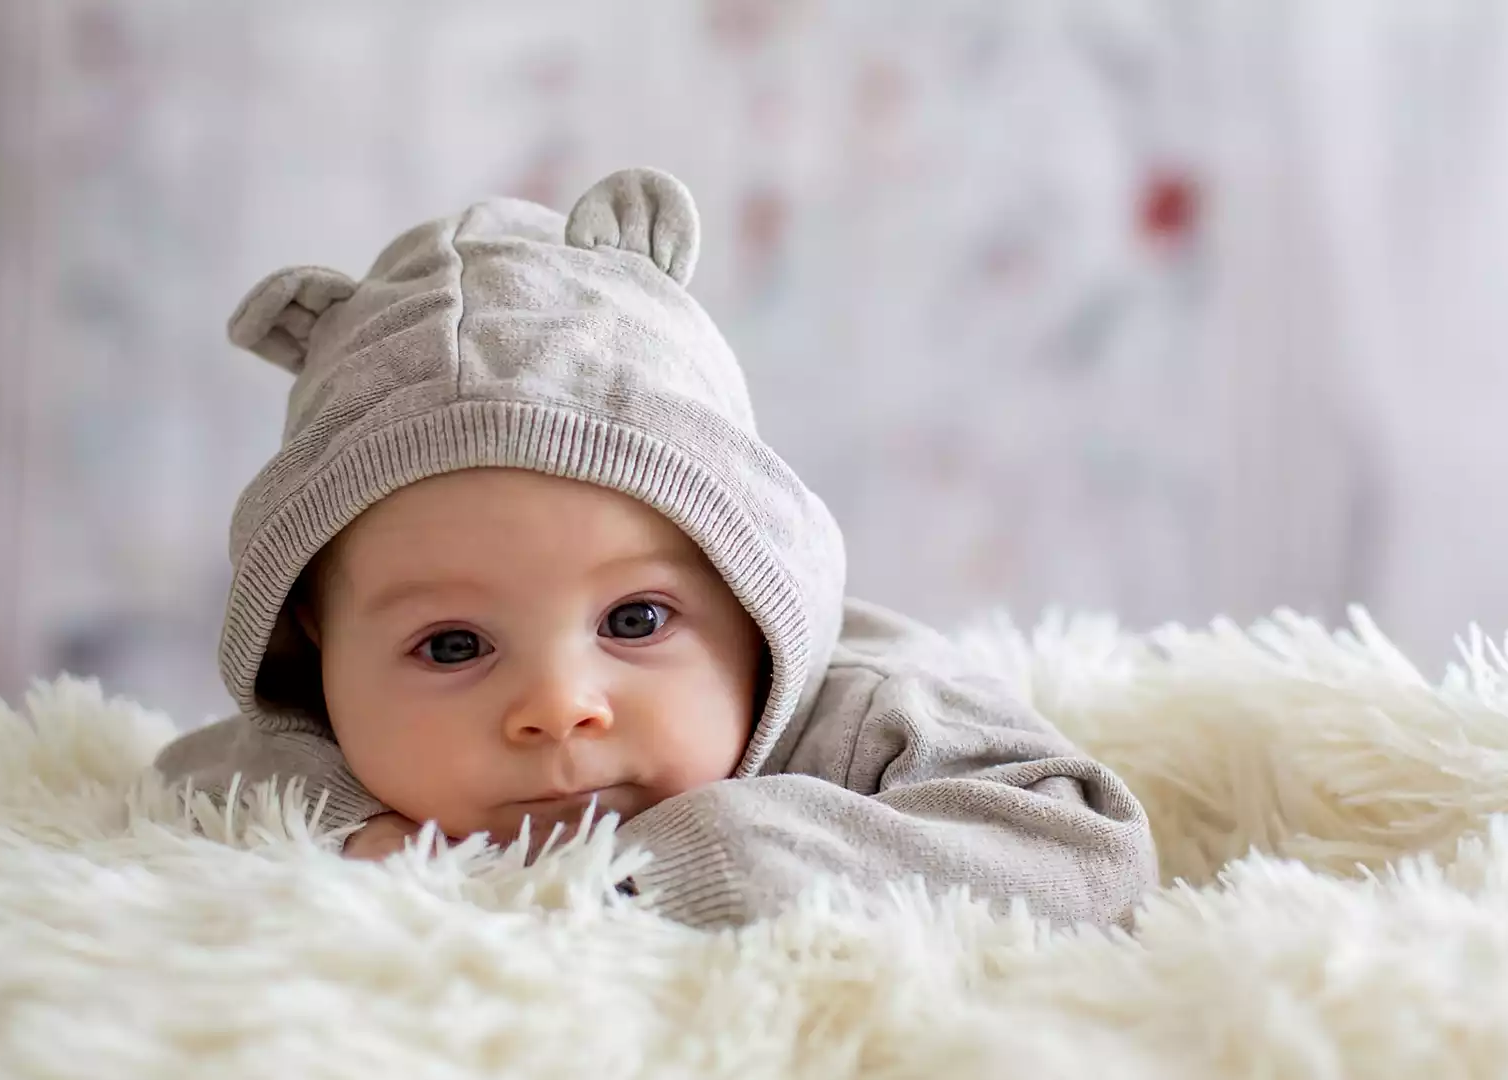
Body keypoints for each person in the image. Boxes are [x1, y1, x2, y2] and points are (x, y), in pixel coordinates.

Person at [156, 167, 1157, 931]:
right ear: (317, 655)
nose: (557, 709)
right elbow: (192, 773)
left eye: (635, 620)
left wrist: (719, 854)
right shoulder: (335, 743)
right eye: (453, 646)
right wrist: (360, 832)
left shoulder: (868, 713)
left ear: (751, 590)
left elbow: (1086, 849)